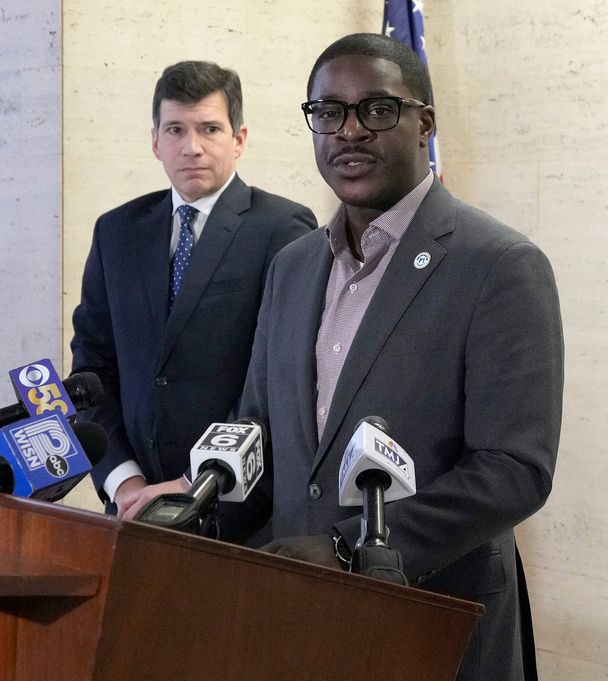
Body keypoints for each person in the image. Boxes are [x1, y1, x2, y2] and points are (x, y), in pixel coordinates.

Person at [234, 34, 563, 681]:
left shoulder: (499, 265)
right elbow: (258, 434)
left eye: (377, 109)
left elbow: (514, 468)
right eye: (328, 112)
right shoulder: (292, 266)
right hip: (297, 624)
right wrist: (188, 511)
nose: (349, 131)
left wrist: (348, 548)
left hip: (433, 625)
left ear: (425, 124)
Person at [71, 60, 317, 527]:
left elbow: (279, 379)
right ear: (155, 141)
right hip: (131, 506)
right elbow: (91, 368)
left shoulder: (284, 228)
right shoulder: (116, 231)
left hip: (239, 511)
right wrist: (125, 481)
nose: (193, 147)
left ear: (239, 138)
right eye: (176, 130)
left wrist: (192, 481)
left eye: (209, 129)